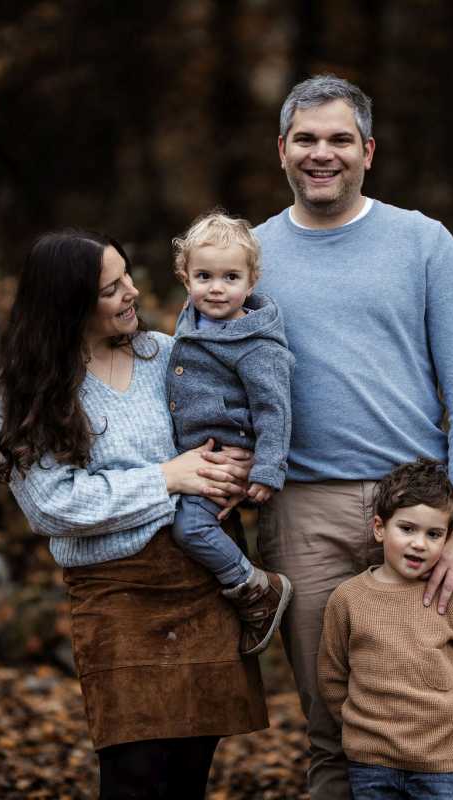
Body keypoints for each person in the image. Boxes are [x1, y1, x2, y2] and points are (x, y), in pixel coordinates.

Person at [254, 74, 453, 800]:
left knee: (447, 720)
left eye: (338, 139)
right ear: (282, 150)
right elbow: (206, 383)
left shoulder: (424, 244)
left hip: (422, 513)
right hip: (305, 512)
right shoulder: (251, 256)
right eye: (306, 138)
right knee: (332, 726)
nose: (321, 153)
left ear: (368, 151)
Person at [0, 229, 268, 799]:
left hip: (203, 582)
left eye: (127, 276)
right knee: (134, 777)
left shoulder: (169, 355)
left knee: (188, 776)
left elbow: (227, 426)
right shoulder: (29, 388)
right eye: (112, 289)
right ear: (70, 307)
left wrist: (235, 464)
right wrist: (167, 478)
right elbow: (52, 505)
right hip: (117, 597)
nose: (133, 291)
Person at [317, 459, 453, 800]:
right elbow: (332, 675)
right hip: (371, 763)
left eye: (434, 534)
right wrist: (359, 729)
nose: (419, 544)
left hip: (441, 764)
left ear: (448, 537)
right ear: (380, 528)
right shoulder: (348, 598)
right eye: (407, 529)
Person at [166, 211, 295, 656]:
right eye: (204, 276)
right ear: (185, 278)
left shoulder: (256, 344)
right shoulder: (191, 323)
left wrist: (267, 468)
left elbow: (274, 409)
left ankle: (255, 588)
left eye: (230, 277)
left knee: (190, 529)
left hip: (227, 455)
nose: (216, 287)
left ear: (251, 280)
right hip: (192, 453)